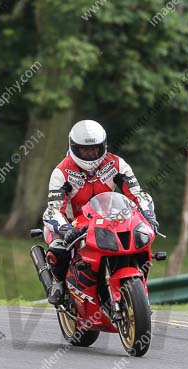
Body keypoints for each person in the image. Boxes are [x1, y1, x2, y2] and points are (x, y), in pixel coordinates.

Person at [42, 120, 157, 305]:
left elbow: (137, 194)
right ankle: (59, 283)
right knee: (58, 249)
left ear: (103, 146)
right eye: (84, 149)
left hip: (109, 219)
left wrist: (148, 215)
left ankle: (135, 290)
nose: (91, 153)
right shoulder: (61, 172)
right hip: (72, 223)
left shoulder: (117, 164)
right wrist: (65, 229)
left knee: (136, 241)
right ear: (73, 147)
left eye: (95, 148)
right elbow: (53, 209)